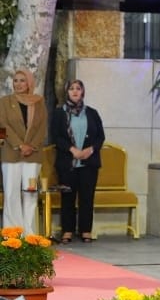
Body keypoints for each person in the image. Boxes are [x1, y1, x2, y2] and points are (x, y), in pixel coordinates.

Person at [50, 79, 105, 243]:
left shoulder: (92, 113)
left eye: (78, 88)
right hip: (68, 162)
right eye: (71, 89)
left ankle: (85, 230)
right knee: (68, 197)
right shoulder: (59, 113)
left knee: (87, 197)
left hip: (89, 162)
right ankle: (67, 230)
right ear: (66, 92)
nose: (75, 91)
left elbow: (100, 136)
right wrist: (72, 150)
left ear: (83, 92)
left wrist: (90, 150)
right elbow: (56, 136)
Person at [0, 69, 46, 233]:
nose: (18, 84)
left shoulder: (39, 102)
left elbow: (42, 128)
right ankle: (13, 234)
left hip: (33, 154)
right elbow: (1, 128)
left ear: (29, 83)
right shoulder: (4, 102)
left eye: (22, 80)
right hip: (11, 153)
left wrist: (31, 146)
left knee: (30, 193)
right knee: (11, 193)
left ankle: (30, 234)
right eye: (15, 80)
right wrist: (19, 145)